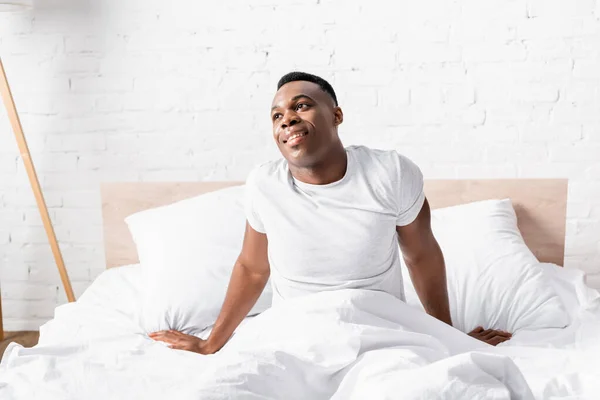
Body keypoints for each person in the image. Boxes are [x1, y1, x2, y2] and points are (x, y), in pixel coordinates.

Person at [149, 72, 512, 353]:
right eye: (277, 115)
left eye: (301, 106)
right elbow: (252, 268)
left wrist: (447, 337)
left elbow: (421, 256)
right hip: (294, 333)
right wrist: (212, 342)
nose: (286, 119)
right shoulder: (264, 184)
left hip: (377, 329)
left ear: (336, 115)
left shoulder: (390, 173)